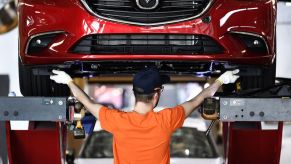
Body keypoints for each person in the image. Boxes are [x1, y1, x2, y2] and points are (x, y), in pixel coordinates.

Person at [50, 67, 239, 164]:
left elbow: (89, 102)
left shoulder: (117, 120)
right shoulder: (166, 119)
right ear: (156, 95)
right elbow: (197, 100)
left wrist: (68, 81)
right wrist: (221, 80)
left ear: (135, 93)